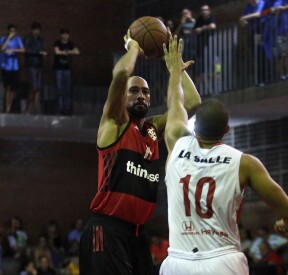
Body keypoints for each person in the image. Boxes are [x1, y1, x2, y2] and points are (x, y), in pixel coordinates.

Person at [159, 35, 288, 275]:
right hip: (222, 261)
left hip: (178, 263)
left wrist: (175, 70)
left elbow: (176, 102)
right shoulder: (244, 163)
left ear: (195, 127)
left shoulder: (177, 143)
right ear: (226, 130)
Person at [78, 29, 200, 275]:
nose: (141, 95)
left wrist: (177, 70)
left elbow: (192, 104)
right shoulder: (113, 124)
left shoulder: (153, 128)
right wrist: (134, 47)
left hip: (137, 233)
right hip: (106, 229)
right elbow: (122, 73)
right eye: (133, 91)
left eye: (145, 92)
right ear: (121, 97)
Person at [53, 28, 80, 115]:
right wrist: (65, 52)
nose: (65, 36)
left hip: (67, 69)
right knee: (60, 89)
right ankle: (60, 109)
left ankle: (67, 110)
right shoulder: (57, 43)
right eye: (63, 34)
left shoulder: (71, 44)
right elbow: (57, 52)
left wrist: (66, 52)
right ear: (61, 35)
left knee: (67, 90)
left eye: (67, 34)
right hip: (59, 69)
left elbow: (77, 52)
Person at [0, 24, 25, 113]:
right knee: (7, 87)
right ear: (8, 31)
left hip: (14, 67)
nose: (12, 33)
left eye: (13, 31)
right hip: (5, 66)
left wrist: (13, 50)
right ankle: (7, 107)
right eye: (10, 31)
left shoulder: (18, 39)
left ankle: (11, 105)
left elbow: (22, 49)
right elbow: (2, 48)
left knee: (13, 88)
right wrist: (8, 38)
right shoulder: (3, 39)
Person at [24, 22, 47, 114]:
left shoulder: (41, 40)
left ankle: (36, 107)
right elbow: (27, 50)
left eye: (38, 30)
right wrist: (38, 52)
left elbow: (43, 49)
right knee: (33, 86)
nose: (36, 32)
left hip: (39, 65)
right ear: (32, 30)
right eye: (35, 30)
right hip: (31, 65)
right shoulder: (28, 38)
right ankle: (29, 106)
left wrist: (43, 53)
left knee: (38, 87)